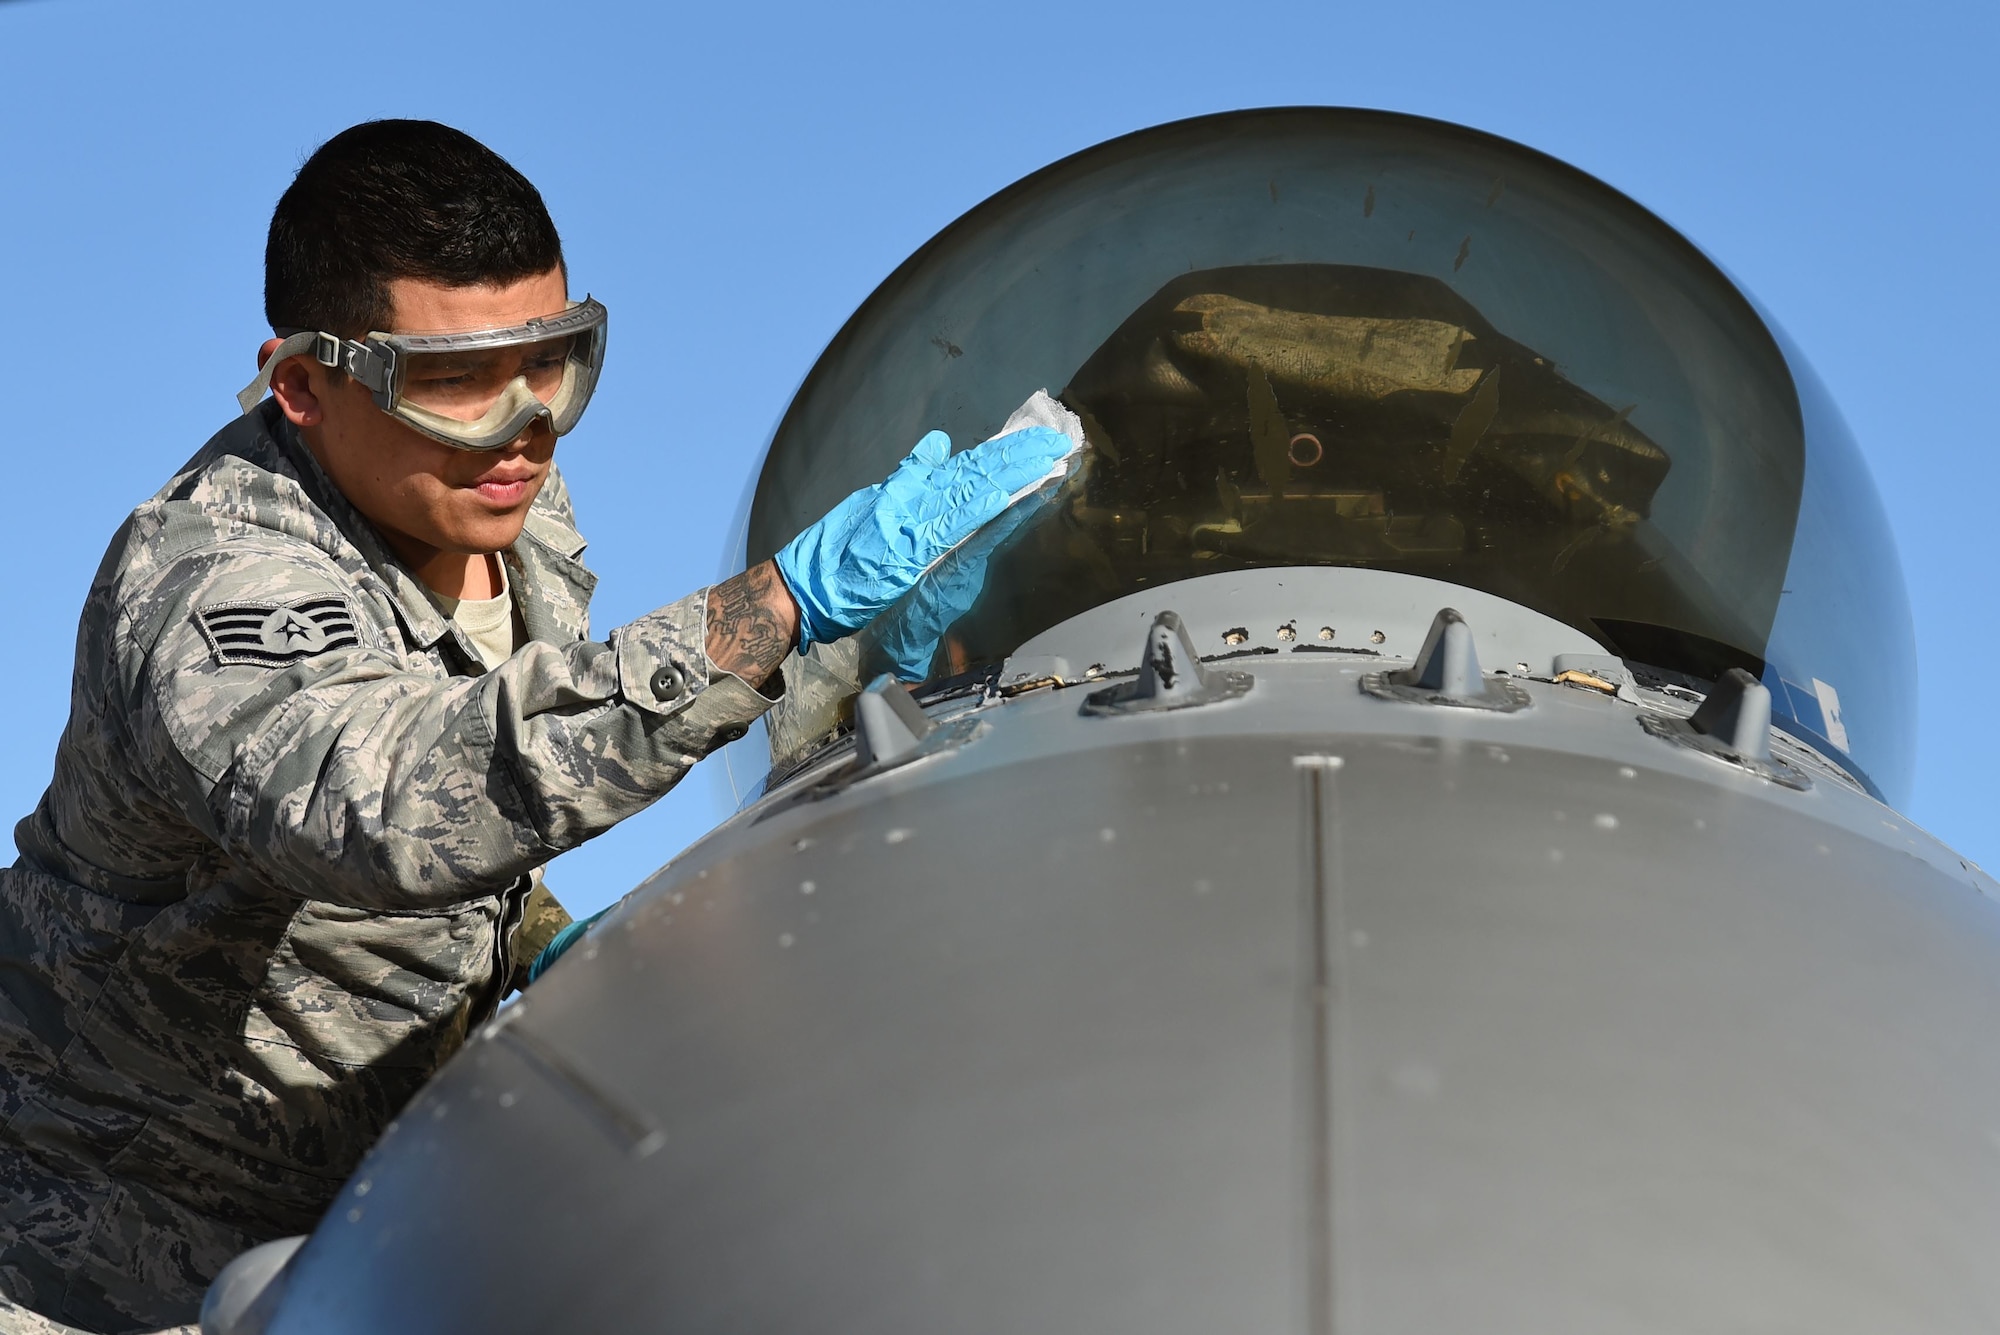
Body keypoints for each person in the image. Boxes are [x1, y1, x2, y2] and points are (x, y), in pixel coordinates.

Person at [0, 119, 1073, 1335]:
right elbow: (388, 806)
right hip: (79, 1257)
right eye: (454, 382)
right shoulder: (212, 583)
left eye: (554, 359)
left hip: (351, 1231)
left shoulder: (494, 501)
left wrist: (544, 950)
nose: (524, 428)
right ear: (303, 385)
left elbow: (472, 783)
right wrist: (780, 606)